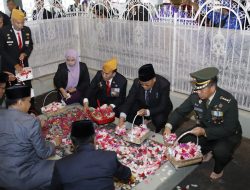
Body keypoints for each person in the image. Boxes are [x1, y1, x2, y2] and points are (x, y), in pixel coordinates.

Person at [164, 67, 242, 180]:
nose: (198, 93)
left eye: (202, 90)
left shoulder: (228, 101)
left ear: (212, 87)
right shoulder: (196, 95)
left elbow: (230, 128)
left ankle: (219, 169)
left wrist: (205, 131)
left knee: (220, 152)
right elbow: (180, 112)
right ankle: (207, 150)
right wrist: (168, 126)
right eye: (197, 89)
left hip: (227, 134)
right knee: (183, 141)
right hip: (205, 129)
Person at [0, 85, 60, 189]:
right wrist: (54, 143)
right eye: (28, 101)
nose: (30, 104)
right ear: (20, 102)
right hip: (21, 175)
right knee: (62, 169)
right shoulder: (31, 122)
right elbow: (43, 153)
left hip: (3, 174)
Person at [50, 119, 132, 190]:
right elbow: (127, 175)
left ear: (72, 142)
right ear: (95, 138)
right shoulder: (109, 157)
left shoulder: (60, 165)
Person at [118, 64, 173, 133]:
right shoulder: (136, 82)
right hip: (143, 103)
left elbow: (162, 106)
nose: (144, 87)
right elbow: (129, 100)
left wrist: (147, 112)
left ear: (154, 79)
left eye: (147, 85)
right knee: (127, 110)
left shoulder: (164, 84)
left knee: (159, 120)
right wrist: (122, 117)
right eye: (142, 84)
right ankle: (141, 124)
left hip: (159, 106)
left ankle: (158, 129)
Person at [0, 8, 33, 77]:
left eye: (22, 23)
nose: (20, 25)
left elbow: (30, 45)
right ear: (12, 21)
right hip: (9, 67)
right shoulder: (4, 31)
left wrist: (25, 53)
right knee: (13, 87)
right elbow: (2, 51)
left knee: (27, 86)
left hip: (24, 66)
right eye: (18, 23)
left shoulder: (27, 30)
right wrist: (15, 64)